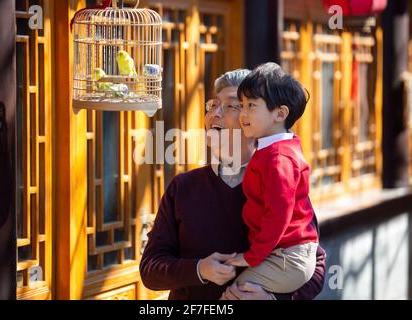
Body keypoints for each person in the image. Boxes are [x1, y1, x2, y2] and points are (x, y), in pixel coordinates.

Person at [139, 68, 326, 300]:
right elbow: (150, 269)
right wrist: (199, 269)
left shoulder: (281, 179)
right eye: (212, 104)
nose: (214, 113)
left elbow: (314, 264)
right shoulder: (183, 187)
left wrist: (274, 300)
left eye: (231, 105)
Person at [224, 63, 318, 294]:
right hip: (282, 253)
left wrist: (251, 257)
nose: (243, 114)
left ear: (280, 113)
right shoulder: (272, 150)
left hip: (287, 257)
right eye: (242, 105)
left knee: (236, 293)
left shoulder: (279, 158)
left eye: (252, 105)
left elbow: (279, 214)